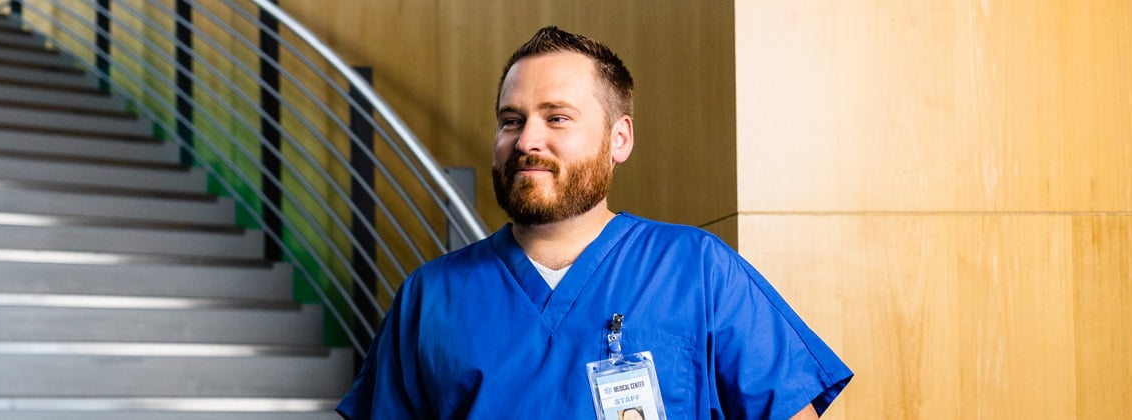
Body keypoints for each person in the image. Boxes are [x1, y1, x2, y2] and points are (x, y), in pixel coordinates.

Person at [335, 26, 853, 419]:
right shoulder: (431, 298)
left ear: (618, 139)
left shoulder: (696, 270)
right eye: (511, 120)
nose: (527, 140)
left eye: (556, 117)